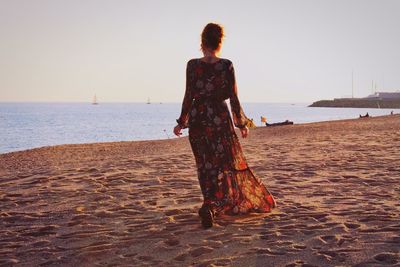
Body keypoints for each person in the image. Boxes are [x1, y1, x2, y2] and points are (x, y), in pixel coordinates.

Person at [173, 23, 276, 228]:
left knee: (205, 166)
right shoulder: (226, 65)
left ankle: (209, 204)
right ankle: (212, 206)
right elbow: (233, 97)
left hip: (199, 120)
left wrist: (181, 121)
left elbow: (188, 96)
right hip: (219, 120)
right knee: (223, 165)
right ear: (220, 43)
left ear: (202, 43)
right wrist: (242, 124)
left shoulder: (192, 65)